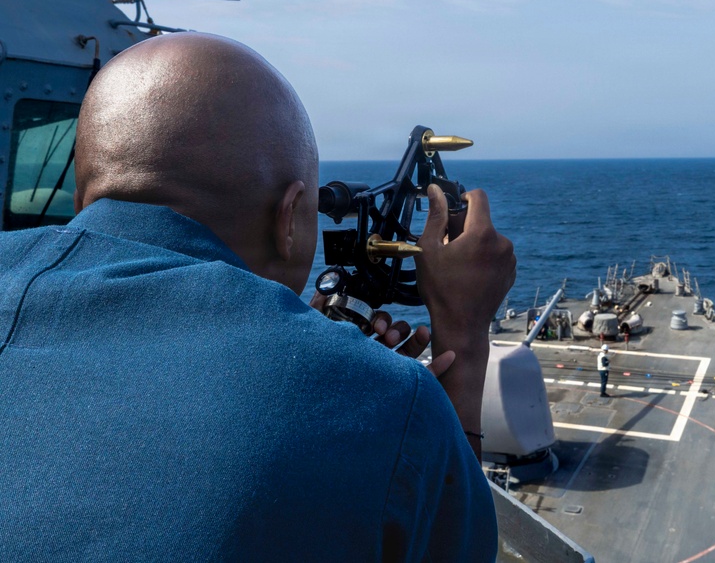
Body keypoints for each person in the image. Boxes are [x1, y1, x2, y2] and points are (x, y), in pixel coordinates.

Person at [0, 33, 516, 561]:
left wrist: (313, 350)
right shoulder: (384, 403)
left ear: (82, 198)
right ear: (289, 217)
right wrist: (463, 336)